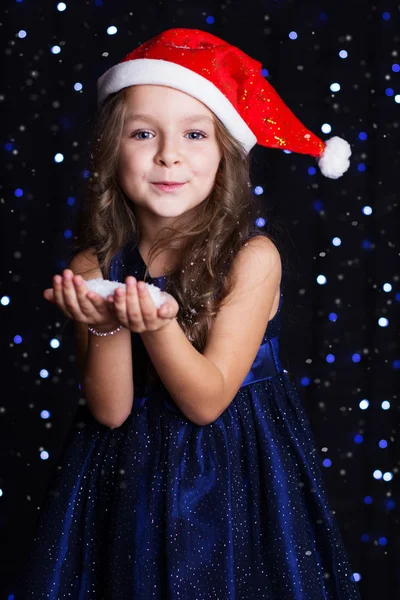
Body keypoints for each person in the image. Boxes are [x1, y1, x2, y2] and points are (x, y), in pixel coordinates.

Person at [17, 28, 359, 599]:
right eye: (143, 132)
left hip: (234, 476)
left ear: (226, 155)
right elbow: (110, 410)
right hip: (127, 480)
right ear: (111, 150)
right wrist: (104, 322)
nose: (168, 153)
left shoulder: (252, 258)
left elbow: (206, 402)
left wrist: (154, 326)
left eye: (195, 134)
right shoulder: (94, 261)